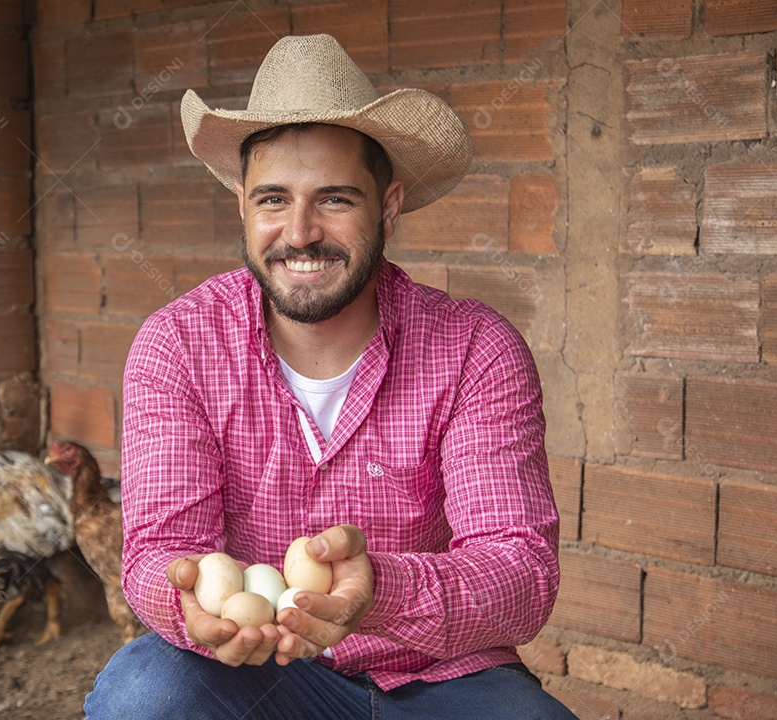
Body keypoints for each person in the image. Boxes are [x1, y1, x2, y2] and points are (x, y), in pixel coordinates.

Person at [84, 34, 576, 719]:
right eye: (273, 200)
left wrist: (381, 592)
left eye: (336, 200)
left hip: (439, 679)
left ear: (391, 205)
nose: (301, 232)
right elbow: (161, 551)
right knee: (145, 696)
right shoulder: (181, 344)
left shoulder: (474, 348)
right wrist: (191, 604)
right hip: (259, 675)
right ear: (242, 207)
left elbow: (522, 576)